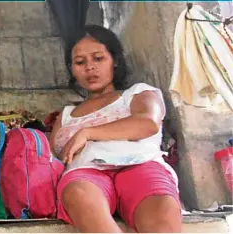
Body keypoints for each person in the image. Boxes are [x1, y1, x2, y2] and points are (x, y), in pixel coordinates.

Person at [50, 25, 182, 233]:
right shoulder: (65, 115)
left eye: (98, 58)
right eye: (80, 62)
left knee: (161, 212)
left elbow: (148, 123)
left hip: (140, 163)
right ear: (72, 69)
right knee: (77, 193)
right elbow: (54, 159)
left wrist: (87, 133)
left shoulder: (138, 93)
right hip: (85, 172)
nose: (90, 67)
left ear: (115, 61)